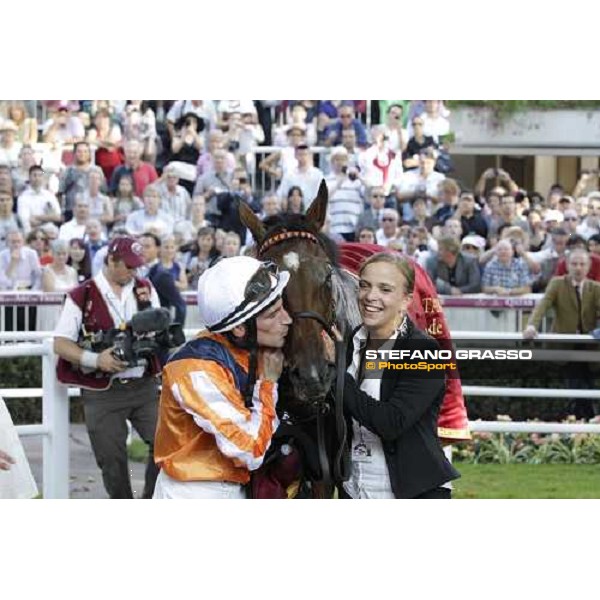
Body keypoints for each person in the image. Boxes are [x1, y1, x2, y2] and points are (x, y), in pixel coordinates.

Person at [153, 256, 292, 499]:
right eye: (272, 315)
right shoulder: (196, 369)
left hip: (226, 488)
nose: (287, 320)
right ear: (239, 328)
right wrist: (267, 385)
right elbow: (250, 451)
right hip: (195, 494)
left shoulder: (244, 347)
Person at [326, 252, 459, 498]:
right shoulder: (345, 344)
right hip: (353, 489)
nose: (370, 296)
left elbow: (391, 422)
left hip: (414, 492)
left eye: (385, 289)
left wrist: (334, 373)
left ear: (406, 300)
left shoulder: (424, 350)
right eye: (365, 285)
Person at [53, 237, 162, 499]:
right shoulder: (82, 293)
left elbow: (158, 328)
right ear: (111, 261)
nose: (134, 272)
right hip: (102, 391)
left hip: (144, 384)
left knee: (165, 447)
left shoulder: (145, 287)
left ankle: (151, 502)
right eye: (129, 266)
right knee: (112, 462)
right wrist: (95, 359)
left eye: (137, 266)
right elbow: (60, 344)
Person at [524, 249, 600, 419]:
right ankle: (582, 420)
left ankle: (581, 420)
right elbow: (543, 306)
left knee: (585, 385)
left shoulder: (595, 288)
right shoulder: (557, 284)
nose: (578, 268)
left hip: (590, 347)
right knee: (576, 385)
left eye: (582, 264)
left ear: (588, 267)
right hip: (565, 345)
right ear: (567, 265)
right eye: (574, 264)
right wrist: (531, 326)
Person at [139, 233, 186, 326]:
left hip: (157, 318)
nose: (142, 250)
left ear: (157, 248)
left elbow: (180, 305)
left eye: (147, 246)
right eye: (140, 246)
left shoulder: (163, 273)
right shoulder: (135, 268)